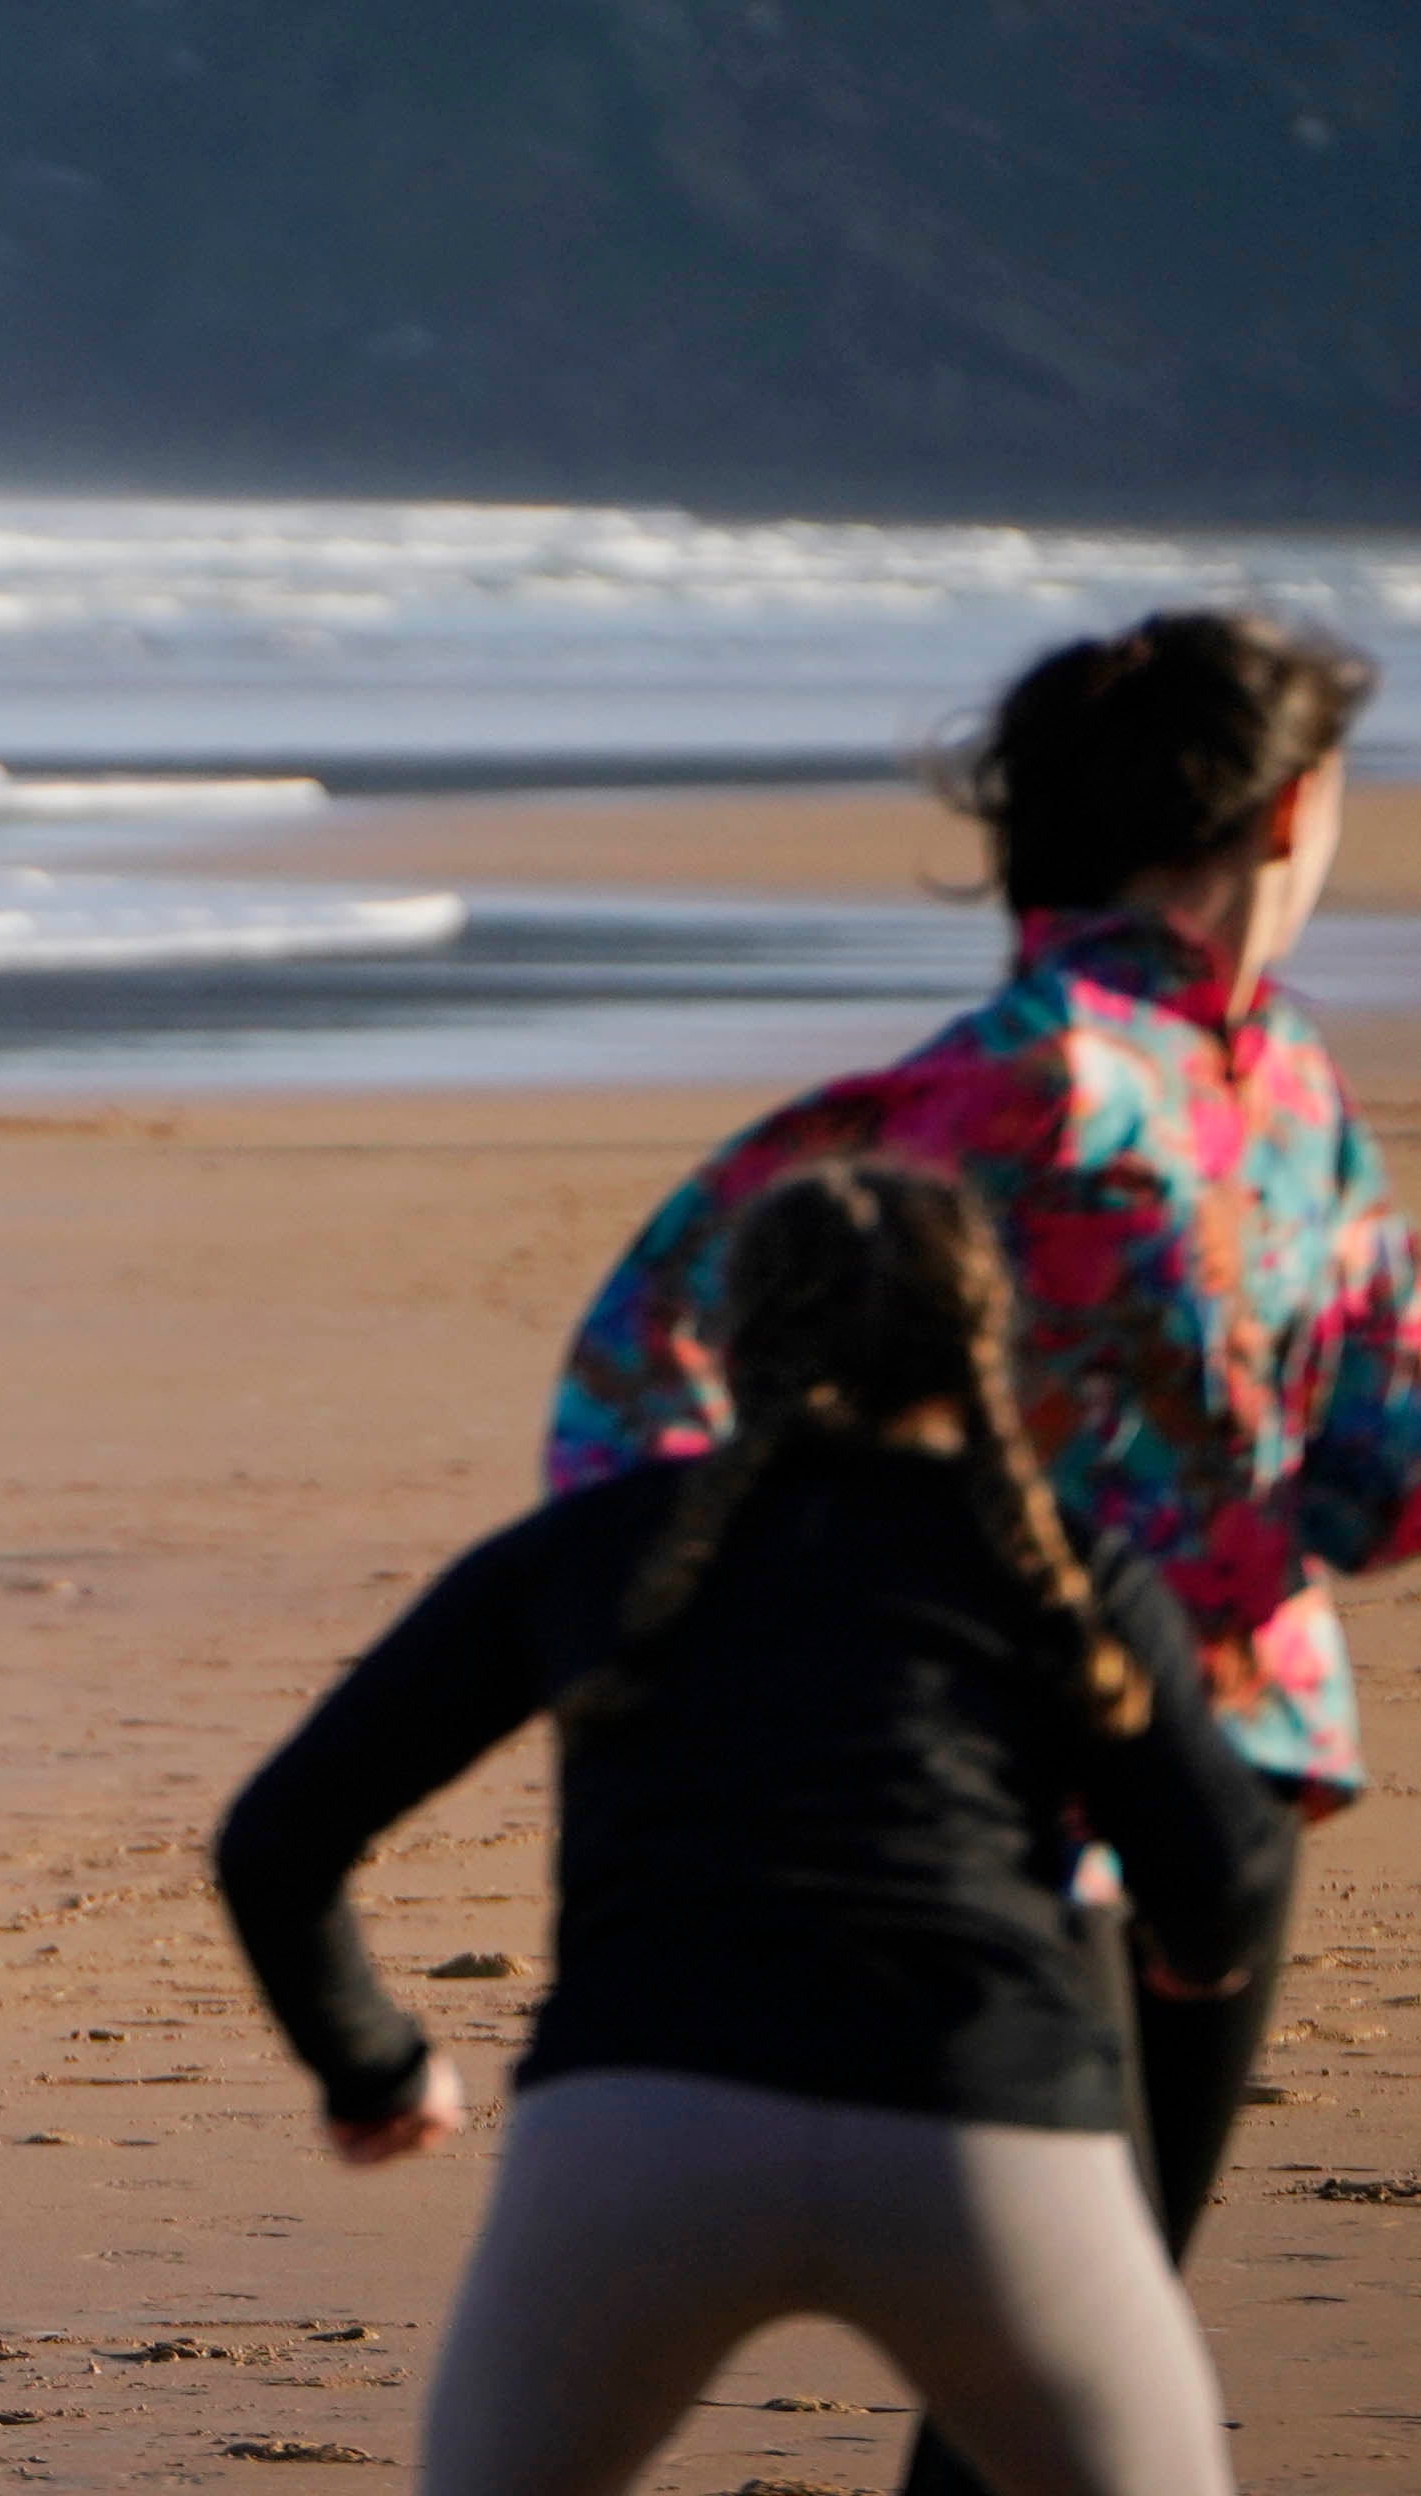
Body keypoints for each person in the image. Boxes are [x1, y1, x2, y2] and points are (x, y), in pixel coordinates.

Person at [544, 610, 1398, 2496]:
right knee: (1069, 2383)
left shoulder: (942, 1103)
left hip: (958, 1784)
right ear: (1287, 815)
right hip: (1205, 1794)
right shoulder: (1274, 1107)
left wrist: (776, 1634)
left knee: (1037, 2392)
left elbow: (624, 1399)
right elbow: (1381, 1481)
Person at [221, 1158, 1291, 2496]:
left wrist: (373, 2067)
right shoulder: (1061, 1566)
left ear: (730, 1341)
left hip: (641, 2130)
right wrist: (1195, 1951)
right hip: (981, 2132)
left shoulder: (591, 1550)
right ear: (981, 1337)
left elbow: (278, 1839)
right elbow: (1229, 1865)